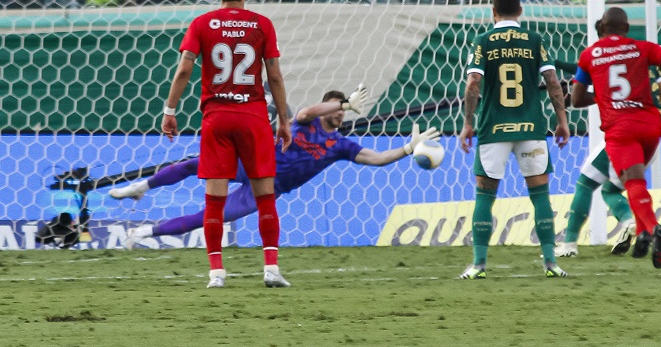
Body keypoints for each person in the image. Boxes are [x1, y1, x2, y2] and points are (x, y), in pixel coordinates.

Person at [112, 90, 441, 251]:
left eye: (343, 112)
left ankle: (141, 235)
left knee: (210, 217)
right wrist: (342, 102)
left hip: (269, 189)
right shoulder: (306, 121)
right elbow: (308, 109)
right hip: (254, 162)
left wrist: (408, 149)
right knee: (194, 164)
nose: (341, 116)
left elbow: (378, 159)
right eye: (338, 109)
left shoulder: (341, 145)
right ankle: (143, 186)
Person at [160, 0, 292, 289]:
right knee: (264, 194)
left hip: (217, 118)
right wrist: (285, 121)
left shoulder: (202, 23)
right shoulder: (263, 24)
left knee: (214, 197)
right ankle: (271, 269)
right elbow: (273, 75)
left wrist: (170, 110)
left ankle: (216, 273)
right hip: (254, 118)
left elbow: (183, 71)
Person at [459, 0, 570, 280]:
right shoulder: (535, 40)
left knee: (484, 196)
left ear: (493, 12)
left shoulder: (483, 41)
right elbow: (553, 82)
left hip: (494, 128)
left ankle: (479, 265)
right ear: (520, 11)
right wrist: (562, 121)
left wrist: (467, 123)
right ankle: (551, 263)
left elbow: (473, 84)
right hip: (531, 127)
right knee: (540, 194)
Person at [571, 7, 661, 269]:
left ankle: (653, 227)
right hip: (649, 126)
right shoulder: (643, 47)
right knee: (633, 183)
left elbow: (576, 99)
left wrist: (602, 97)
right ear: (627, 27)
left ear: (602, 27)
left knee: (631, 183)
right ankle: (643, 232)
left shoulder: (590, 55)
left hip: (621, 130)